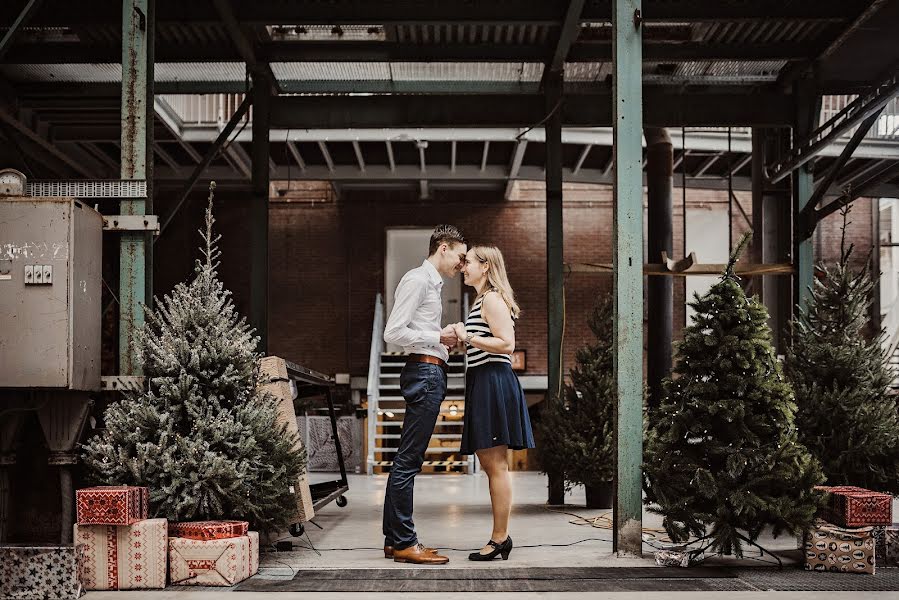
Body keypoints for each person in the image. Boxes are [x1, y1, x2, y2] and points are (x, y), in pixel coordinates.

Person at [382, 224, 467, 565]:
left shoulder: (429, 283)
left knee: (404, 459)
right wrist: (439, 336)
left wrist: (441, 339)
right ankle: (404, 542)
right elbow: (393, 331)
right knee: (409, 461)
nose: (462, 265)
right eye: (460, 257)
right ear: (443, 247)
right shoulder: (418, 279)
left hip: (429, 369)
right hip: (425, 371)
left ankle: (393, 540)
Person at [453, 245, 535, 562]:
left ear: (485, 266)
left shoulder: (491, 298)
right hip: (482, 379)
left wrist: (468, 336)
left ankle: (500, 538)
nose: (463, 266)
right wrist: (461, 337)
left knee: (496, 467)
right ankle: (500, 536)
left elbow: (507, 345)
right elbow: (486, 344)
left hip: (493, 380)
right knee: (491, 465)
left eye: (469, 262)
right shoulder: (481, 300)